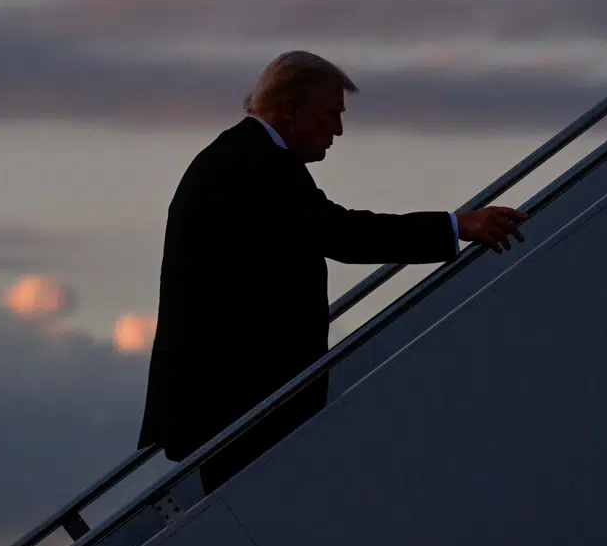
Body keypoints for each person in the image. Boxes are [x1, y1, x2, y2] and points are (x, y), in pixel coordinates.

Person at [136, 50, 528, 494]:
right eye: (331, 114)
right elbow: (341, 234)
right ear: (290, 109)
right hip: (243, 401)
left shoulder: (242, 157)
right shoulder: (255, 165)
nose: (338, 130)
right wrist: (456, 226)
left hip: (229, 399)